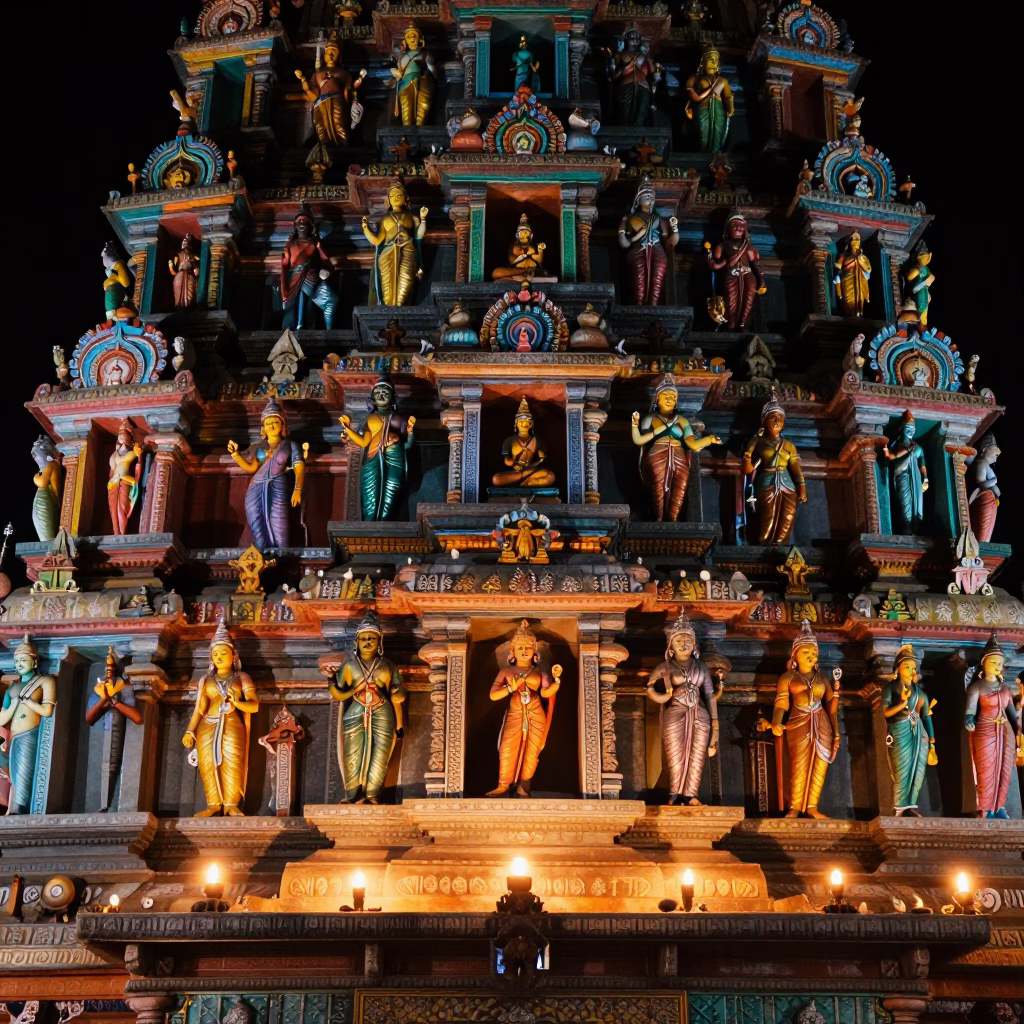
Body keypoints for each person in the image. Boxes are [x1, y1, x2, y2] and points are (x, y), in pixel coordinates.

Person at [328, 610, 406, 803]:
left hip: (382, 711)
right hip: (356, 711)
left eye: (372, 638)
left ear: (380, 642)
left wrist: (399, 711)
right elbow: (337, 692)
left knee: (380, 755)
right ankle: (353, 795)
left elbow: (398, 693)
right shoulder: (349, 666)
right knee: (352, 754)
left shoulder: (388, 666)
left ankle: (372, 794)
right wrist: (351, 689)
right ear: (356, 642)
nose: (368, 642)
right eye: (363, 638)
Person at [182, 622, 259, 817]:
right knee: (207, 764)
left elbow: (254, 706)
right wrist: (190, 730)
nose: (219, 657)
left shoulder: (242, 677)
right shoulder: (206, 680)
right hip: (207, 725)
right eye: (215, 654)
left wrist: (237, 703)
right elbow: (200, 709)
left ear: (233, 656)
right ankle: (213, 805)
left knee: (232, 761)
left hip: (232, 724)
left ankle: (232, 804)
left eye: (223, 653)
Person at [645, 613, 719, 805]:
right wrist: (665, 696)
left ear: (694, 645)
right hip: (675, 713)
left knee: (697, 755)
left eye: (687, 640)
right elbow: (650, 689)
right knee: (675, 754)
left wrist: (715, 724)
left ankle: (691, 794)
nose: (683, 644)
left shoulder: (701, 667)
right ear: (670, 646)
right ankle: (673, 793)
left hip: (700, 715)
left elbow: (710, 695)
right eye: (679, 640)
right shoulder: (665, 667)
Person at [770, 620, 840, 819]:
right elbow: (781, 703)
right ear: (795, 655)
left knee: (820, 764)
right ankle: (795, 806)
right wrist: (776, 721)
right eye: (806, 652)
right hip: (798, 722)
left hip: (822, 722)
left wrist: (836, 731)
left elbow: (832, 709)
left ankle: (812, 806)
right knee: (798, 764)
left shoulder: (822, 678)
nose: (811, 656)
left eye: (814, 653)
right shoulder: (788, 678)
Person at [487, 620, 561, 798]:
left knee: (533, 750)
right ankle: (503, 784)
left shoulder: (540, 671)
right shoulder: (506, 672)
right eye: (520, 648)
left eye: (528, 647)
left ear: (535, 652)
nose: (525, 651)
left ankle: (524, 786)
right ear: (512, 652)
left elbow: (545, 693)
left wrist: (557, 681)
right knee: (507, 747)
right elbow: (493, 695)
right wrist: (510, 687)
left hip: (536, 712)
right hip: (515, 712)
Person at [631, 375, 721, 521]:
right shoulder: (650, 419)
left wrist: (709, 439)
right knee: (658, 483)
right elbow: (639, 440)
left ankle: (673, 519)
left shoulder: (682, 421)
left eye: (673, 397)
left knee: (681, 485)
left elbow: (692, 444)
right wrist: (635, 425)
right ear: (657, 399)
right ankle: (659, 517)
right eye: (666, 395)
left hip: (678, 453)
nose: (669, 399)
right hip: (657, 452)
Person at [228, 397, 305, 548]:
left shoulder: (290, 445)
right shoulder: (260, 447)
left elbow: (299, 467)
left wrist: (298, 489)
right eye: (267, 423)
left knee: (279, 519)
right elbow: (252, 468)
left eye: (275, 422)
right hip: (256, 486)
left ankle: (282, 553)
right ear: (263, 427)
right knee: (256, 518)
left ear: (283, 425)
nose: (271, 425)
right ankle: (262, 551)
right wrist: (236, 455)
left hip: (278, 483)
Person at [339, 379, 416, 521]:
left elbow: (408, 445)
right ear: (372, 399)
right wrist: (347, 430)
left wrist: (410, 432)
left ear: (393, 398)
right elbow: (363, 442)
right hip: (372, 456)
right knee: (370, 492)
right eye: (377, 393)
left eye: (385, 392)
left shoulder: (399, 419)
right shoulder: (369, 419)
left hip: (395, 457)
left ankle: (385, 522)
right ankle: (370, 523)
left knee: (393, 488)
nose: (381, 395)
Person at [742, 390, 806, 545]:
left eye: (780, 418)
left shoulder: (789, 445)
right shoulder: (758, 442)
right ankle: (764, 543)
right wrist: (752, 445)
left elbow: (796, 468)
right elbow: (747, 470)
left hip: (787, 483)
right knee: (767, 515)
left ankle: (781, 544)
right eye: (773, 417)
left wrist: (802, 486)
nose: (777, 421)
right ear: (764, 422)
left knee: (789, 514)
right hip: (767, 482)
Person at [881, 645, 936, 817]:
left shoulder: (920, 693)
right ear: (897, 668)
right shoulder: (890, 688)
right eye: (907, 666)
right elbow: (885, 712)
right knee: (902, 770)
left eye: (913, 667)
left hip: (919, 734)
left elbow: (926, 717)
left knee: (917, 770)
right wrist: (902, 703)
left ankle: (911, 805)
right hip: (899, 730)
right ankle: (899, 807)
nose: (911, 670)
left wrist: (932, 741)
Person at [362, 181, 428, 306]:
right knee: (387, 286)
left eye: (399, 195)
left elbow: (418, 236)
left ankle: (400, 306)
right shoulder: (385, 219)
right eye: (391, 196)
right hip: (388, 253)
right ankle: (389, 308)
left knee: (405, 281)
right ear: (388, 199)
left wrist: (423, 219)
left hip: (408, 251)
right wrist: (365, 228)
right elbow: (377, 241)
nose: (395, 198)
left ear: (406, 198)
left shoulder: (412, 218)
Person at [619, 177, 678, 306]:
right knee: (639, 282)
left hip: (658, 251)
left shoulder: (660, 220)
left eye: (651, 197)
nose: (649, 199)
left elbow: (669, 244)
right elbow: (625, 243)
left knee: (657, 282)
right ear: (638, 200)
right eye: (646, 196)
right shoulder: (632, 219)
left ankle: (653, 307)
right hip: (638, 251)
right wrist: (626, 229)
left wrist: (675, 230)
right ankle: (639, 307)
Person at [280, 206, 338, 329]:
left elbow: (325, 260)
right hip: (294, 278)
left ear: (311, 226)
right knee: (295, 308)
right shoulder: (290, 244)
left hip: (312, 279)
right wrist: (284, 290)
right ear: (295, 225)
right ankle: (297, 326)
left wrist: (319, 248)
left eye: (305, 221)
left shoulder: (315, 242)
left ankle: (328, 331)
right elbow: (284, 266)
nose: (302, 223)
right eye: (299, 221)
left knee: (330, 300)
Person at [707, 212, 765, 329]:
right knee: (730, 302)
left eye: (742, 225)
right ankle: (731, 325)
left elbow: (755, 263)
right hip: (730, 275)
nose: (739, 228)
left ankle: (743, 324)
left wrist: (761, 279)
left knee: (748, 301)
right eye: (735, 225)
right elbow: (716, 264)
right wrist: (711, 259)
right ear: (728, 228)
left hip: (748, 274)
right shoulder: (722, 246)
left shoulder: (748, 246)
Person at [493, 398, 556, 489]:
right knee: (496, 479)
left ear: (531, 424)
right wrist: (513, 464)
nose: (524, 425)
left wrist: (541, 458)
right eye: (521, 422)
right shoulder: (509, 441)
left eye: (527, 422)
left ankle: (526, 483)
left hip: (531, 471)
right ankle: (523, 480)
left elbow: (542, 460)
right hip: (515, 473)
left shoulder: (537, 441)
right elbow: (506, 459)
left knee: (550, 476)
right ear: (516, 423)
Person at [883, 411, 928, 535]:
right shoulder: (899, 446)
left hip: (916, 479)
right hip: (902, 476)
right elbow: (891, 457)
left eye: (913, 429)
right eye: (908, 428)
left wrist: (925, 478)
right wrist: (885, 449)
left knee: (917, 504)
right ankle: (906, 528)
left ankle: (915, 529)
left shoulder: (918, 448)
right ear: (901, 429)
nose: (911, 431)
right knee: (905, 503)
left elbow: (922, 465)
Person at [608, 27, 661, 127]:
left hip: (643, 84)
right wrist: (626, 68)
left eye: (637, 37)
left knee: (641, 112)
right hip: (627, 84)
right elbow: (613, 75)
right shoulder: (620, 55)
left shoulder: (643, 55)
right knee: (624, 114)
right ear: (626, 39)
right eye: (632, 37)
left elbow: (653, 71)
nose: (635, 39)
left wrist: (657, 72)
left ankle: (639, 130)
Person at [684, 47, 733, 151]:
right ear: (702, 62)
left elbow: (728, 97)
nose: (713, 62)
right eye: (710, 59)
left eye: (716, 60)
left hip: (719, 110)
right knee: (702, 133)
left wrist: (730, 107)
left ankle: (715, 153)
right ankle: (703, 152)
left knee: (718, 134)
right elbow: (690, 94)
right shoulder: (695, 78)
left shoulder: (723, 80)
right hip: (703, 109)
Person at [391, 28, 434, 127]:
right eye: (409, 36)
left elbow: (433, 70)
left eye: (414, 35)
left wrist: (433, 69)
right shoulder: (402, 55)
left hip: (422, 82)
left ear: (420, 39)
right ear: (405, 41)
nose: (412, 38)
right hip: (405, 83)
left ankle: (420, 130)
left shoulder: (424, 53)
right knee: (406, 112)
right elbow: (399, 70)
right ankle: (408, 132)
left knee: (422, 110)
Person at [107, 420, 144, 535]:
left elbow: (139, 466)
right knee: (113, 511)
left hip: (126, 481)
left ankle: (122, 534)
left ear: (130, 439)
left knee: (122, 509)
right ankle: (116, 533)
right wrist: (110, 481)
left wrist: (140, 455)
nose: (121, 438)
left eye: (124, 435)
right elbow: (112, 471)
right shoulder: (114, 454)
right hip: (113, 483)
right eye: (120, 436)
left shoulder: (133, 452)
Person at [491, 214, 547, 281]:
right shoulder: (514, 246)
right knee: (496, 272)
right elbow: (512, 261)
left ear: (531, 235)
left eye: (526, 232)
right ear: (518, 235)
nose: (524, 235)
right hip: (518, 271)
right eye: (522, 233)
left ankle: (525, 276)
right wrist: (524, 256)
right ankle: (523, 274)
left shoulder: (532, 247)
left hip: (532, 271)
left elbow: (539, 261)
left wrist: (540, 250)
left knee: (548, 275)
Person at [30, 436, 60, 543]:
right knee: (41, 527)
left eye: (37, 455)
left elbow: (42, 482)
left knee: (47, 532)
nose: (36, 458)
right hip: (43, 497)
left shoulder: (52, 464)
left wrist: (36, 476)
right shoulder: (47, 467)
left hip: (46, 498)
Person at [834, 232, 871, 317]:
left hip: (860, 281)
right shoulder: (843, 256)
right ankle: (848, 315)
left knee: (859, 300)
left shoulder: (863, 257)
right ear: (849, 244)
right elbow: (837, 268)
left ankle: (858, 316)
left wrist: (860, 259)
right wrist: (837, 278)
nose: (856, 245)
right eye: (854, 242)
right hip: (847, 280)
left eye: (858, 243)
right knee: (847, 300)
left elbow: (868, 270)